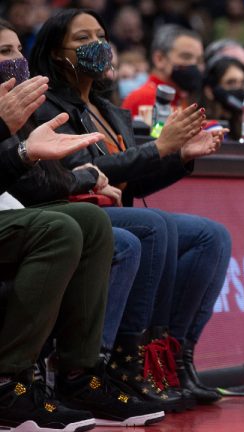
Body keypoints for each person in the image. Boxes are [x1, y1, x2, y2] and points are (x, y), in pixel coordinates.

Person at [29, 9, 231, 407]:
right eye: (82, 39)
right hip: (71, 210)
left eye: (101, 35)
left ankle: (174, 359)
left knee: (212, 235)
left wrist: (179, 157)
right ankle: (125, 363)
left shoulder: (111, 110)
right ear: (55, 53)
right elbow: (80, 172)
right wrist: (158, 147)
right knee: (153, 225)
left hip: (117, 209)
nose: (97, 45)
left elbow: (130, 183)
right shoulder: (47, 108)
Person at [0, 69, 165, 428]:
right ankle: (7, 383)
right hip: (19, 209)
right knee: (62, 228)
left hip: (10, 208)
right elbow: (40, 185)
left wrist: (24, 152)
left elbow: (25, 174)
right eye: (3, 51)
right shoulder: (15, 109)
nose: (12, 60)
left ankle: (80, 375)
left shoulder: (27, 107)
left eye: (15, 50)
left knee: (91, 221)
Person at [121, 24, 204, 117]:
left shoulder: (181, 99)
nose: (194, 64)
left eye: (199, 60)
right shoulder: (144, 99)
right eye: (185, 57)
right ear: (159, 59)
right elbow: (157, 132)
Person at [202, 56, 244, 139]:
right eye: (231, 83)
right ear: (209, 91)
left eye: (242, 83)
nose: (239, 89)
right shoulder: (203, 129)